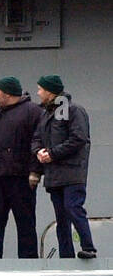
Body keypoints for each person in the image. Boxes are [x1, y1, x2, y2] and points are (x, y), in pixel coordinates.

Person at [0, 76, 42, 258]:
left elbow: (39, 141)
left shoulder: (32, 111)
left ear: (8, 93)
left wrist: (35, 171)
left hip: (21, 176)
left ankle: (28, 263)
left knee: (25, 224)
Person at [32, 75, 96, 260]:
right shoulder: (46, 114)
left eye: (40, 89)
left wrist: (51, 153)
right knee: (61, 217)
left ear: (50, 92)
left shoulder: (73, 110)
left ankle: (89, 248)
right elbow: (37, 138)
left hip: (72, 172)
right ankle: (66, 255)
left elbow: (78, 138)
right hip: (55, 175)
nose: (38, 93)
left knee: (72, 208)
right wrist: (39, 152)